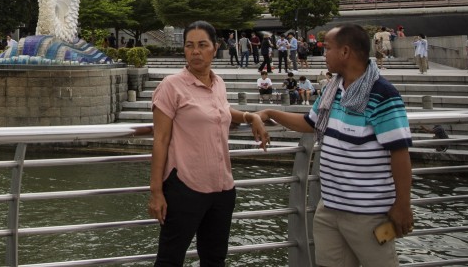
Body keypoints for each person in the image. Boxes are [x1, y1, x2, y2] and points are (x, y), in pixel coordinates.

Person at [257, 23, 413, 266]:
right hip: (329, 208)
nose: (323, 54)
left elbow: (400, 152)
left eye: (327, 48)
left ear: (345, 52)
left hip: (369, 214)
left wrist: (403, 205)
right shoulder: (334, 89)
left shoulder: (382, 93)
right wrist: (269, 113)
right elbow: (311, 122)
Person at [149, 20, 269, 266]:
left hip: (222, 188)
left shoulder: (219, 83)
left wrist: (250, 116)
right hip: (185, 187)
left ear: (215, 48)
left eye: (202, 45)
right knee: (170, 260)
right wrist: (156, 192)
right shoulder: (171, 86)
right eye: (189, 45)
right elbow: (160, 140)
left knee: (215, 259)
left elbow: (222, 110)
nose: (195, 51)